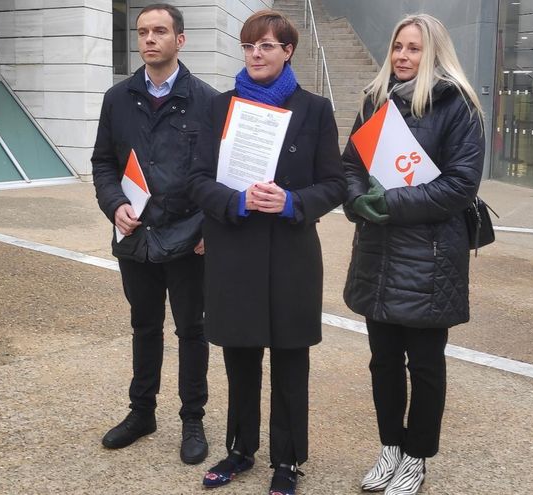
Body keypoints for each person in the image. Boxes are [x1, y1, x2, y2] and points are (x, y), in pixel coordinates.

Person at [187, 10, 345, 495]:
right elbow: (196, 180)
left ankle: (288, 461)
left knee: (290, 361)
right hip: (235, 250)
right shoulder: (220, 107)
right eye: (249, 46)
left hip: (291, 253)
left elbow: (336, 183)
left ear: (288, 51)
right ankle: (240, 449)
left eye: (267, 46)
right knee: (240, 357)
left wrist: (293, 200)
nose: (256, 54)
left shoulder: (315, 109)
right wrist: (235, 201)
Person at [342, 13, 485, 495]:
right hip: (379, 254)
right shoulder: (375, 100)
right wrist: (356, 197)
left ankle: (417, 457)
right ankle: (390, 448)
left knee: (424, 365)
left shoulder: (457, 106)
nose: (402, 56)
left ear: (434, 54)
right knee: (382, 361)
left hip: (430, 259)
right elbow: (351, 164)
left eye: (413, 49)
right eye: (397, 47)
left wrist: (389, 203)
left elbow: (461, 185)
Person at [91, 3, 217, 466]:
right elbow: (103, 162)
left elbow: (219, 175)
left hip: (189, 237)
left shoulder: (207, 100)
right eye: (142, 31)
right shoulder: (117, 98)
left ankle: (192, 420)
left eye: (159, 31)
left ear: (179, 40)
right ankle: (141, 413)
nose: (149, 39)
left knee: (192, 331)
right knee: (144, 327)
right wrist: (114, 206)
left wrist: (208, 227)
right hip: (136, 236)